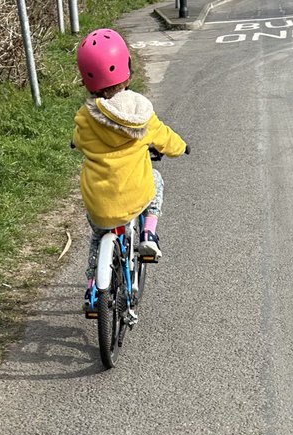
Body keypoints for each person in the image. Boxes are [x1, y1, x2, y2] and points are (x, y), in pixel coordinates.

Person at [73, 28, 188, 318]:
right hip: (134, 195)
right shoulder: (140, 112)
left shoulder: (86, 117)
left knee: (99, 238)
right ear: (127, 69)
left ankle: (92, 290)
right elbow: (163, 137)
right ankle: (148, 233)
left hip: (100, 203)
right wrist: (181, 147)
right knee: (156, 181)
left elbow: (79, 139)